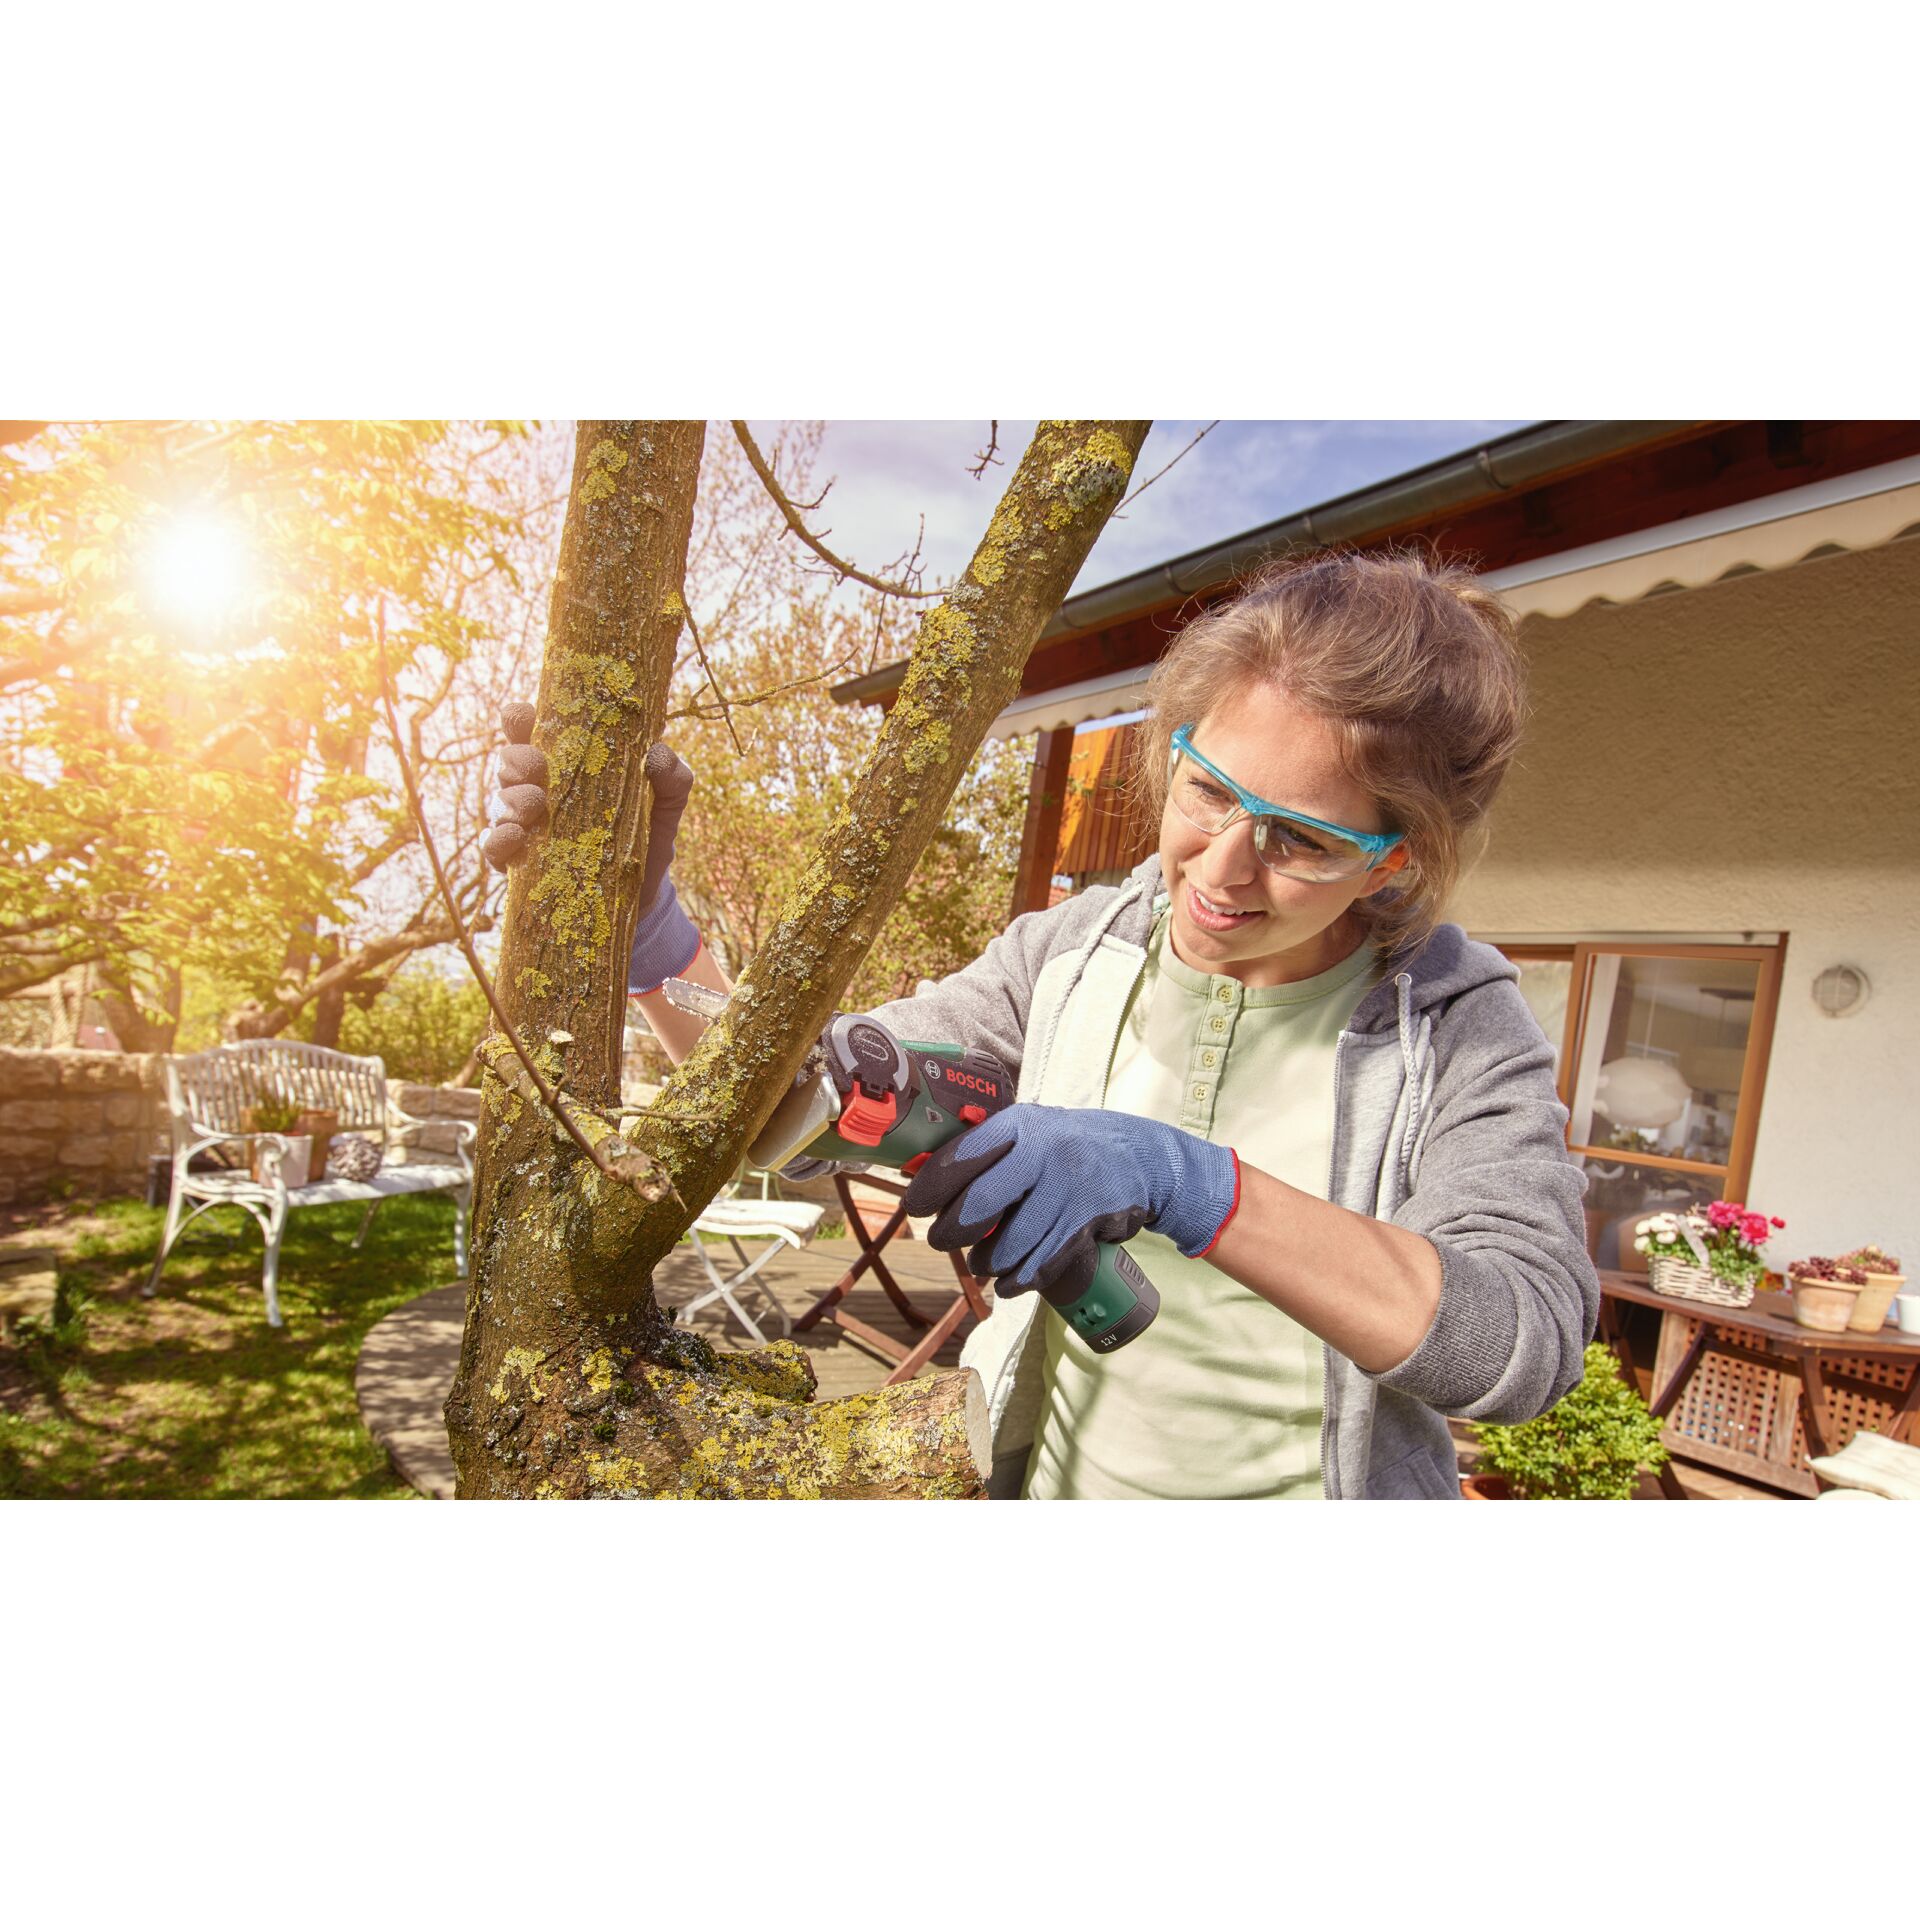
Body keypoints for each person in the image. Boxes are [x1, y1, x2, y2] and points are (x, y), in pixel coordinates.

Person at [488, 551, 1598, 1499]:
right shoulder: (1071, 954)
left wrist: (1192, 1184)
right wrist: (653, 939)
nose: (1217, 871)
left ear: (1392, 861)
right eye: (1206, 789)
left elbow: (1522, 1343)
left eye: (1297, 839)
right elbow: (814, 1097)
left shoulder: (1457, 1027)